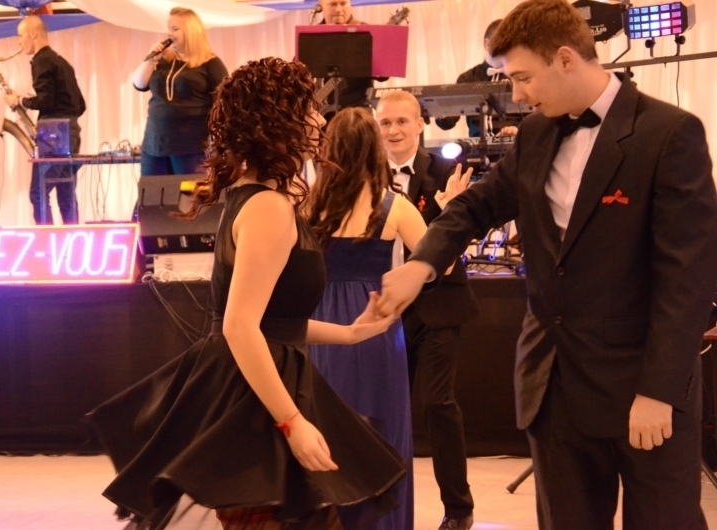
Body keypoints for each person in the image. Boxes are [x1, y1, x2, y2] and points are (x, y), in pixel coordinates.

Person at [377, 1, 717, 529]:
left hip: (642, 384)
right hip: (554, 385)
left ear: (564, 59)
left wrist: (658, 390)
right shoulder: (535, 135)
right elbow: (475, 206)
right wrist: (421, 265)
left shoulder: (669, 133)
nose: (516, 94)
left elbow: (687, 279)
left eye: (522, 77)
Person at [87, 57, 407, 530]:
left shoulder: (260, 199)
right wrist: (291, 422)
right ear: (278, 122)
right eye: (308, 110)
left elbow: (272, 322)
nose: (320, 121)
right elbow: (240, 327)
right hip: (255, 405)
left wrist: (349, 334)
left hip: (261, 392)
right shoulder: (267, 208)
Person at [305, 107, 424, 530]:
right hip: (375, 323)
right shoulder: (396, 207)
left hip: (319, 325)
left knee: (325, 434)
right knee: (383, 434)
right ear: (375, 150)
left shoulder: (305, 205)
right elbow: (441, 264)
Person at [376, 90, 477, 530]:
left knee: (438, 404)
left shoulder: (445, 172)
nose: (394, 130)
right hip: (384, 307)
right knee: (384, 405)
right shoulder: (366, 174)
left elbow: (451, 248)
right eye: (386, 123)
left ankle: (459, 509)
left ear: (420, 124)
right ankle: (384, 505)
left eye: (402, 121)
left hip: (438, 306)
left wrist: (446, 211)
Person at [5, 15, 86, 225]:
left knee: (38, 193)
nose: (19, 42)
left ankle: (46, 239)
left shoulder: (41, 61)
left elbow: (46, 101)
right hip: (71, 133)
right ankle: (72, 237)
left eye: (20, 35)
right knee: (66, 195)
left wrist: (19, 100)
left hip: (54, 136)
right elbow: (81, 105)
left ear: (33, 33)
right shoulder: (62, 62)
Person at [132, 8, 228, 176]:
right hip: (155, 145)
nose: (170, 33)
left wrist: (218, 142)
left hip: (191, 147)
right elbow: (139, 84)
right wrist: (151, 59)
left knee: (188, 192)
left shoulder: (210, 63)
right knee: (152, 192)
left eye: (175, 29)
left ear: (191, 32)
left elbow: (225, 102)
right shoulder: (163, 60)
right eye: (169, 28)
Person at [434, 19, 521, 139]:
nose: (508, 49)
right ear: (487, 44)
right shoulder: (468, 78)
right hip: (477, 147)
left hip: (515, 143)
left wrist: (518, 130)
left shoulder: (519, 76)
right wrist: (439, 110)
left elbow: (532, 116)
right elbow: (448, 123)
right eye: (503, 43)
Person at [315, 0, 385, 118]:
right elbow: (298, 72)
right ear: (321, 4)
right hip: (323, 117)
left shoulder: (365, 32)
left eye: (343, 4)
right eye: (333, 4)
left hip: (358, 114)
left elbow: (383, 75)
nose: (339, 10)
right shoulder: (312, 34)